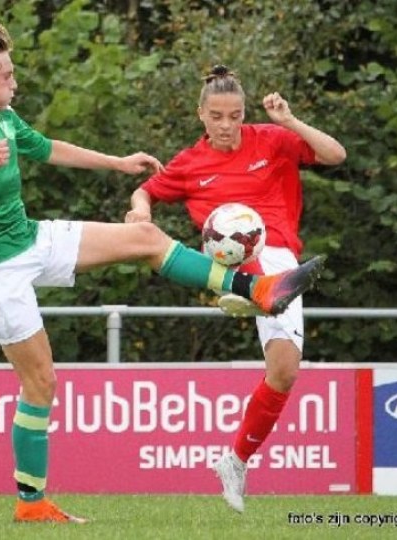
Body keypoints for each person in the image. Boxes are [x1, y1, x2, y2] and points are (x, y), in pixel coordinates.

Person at [0, 20, 324, 524]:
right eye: (7, 74)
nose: (14, 81)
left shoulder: (3, 116)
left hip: (29, 239)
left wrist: (118, 163)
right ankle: (32, 504)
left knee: (145, 238)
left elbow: (47, 148)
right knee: (42, 382)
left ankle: (257, 288)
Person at [127, 65, 346, 513]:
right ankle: (252, 292)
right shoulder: (189, 164)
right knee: (256, 270)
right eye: (217, 116)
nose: (227, 126)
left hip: (281, 253)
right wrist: (140, 212)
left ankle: (235, 460)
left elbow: (335, 155)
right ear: (201, 114)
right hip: (236, 262)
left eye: (235, 115)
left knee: (284, 372)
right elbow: (145, 191)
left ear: (245, 113)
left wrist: (289, 120)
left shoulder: (273, 139)